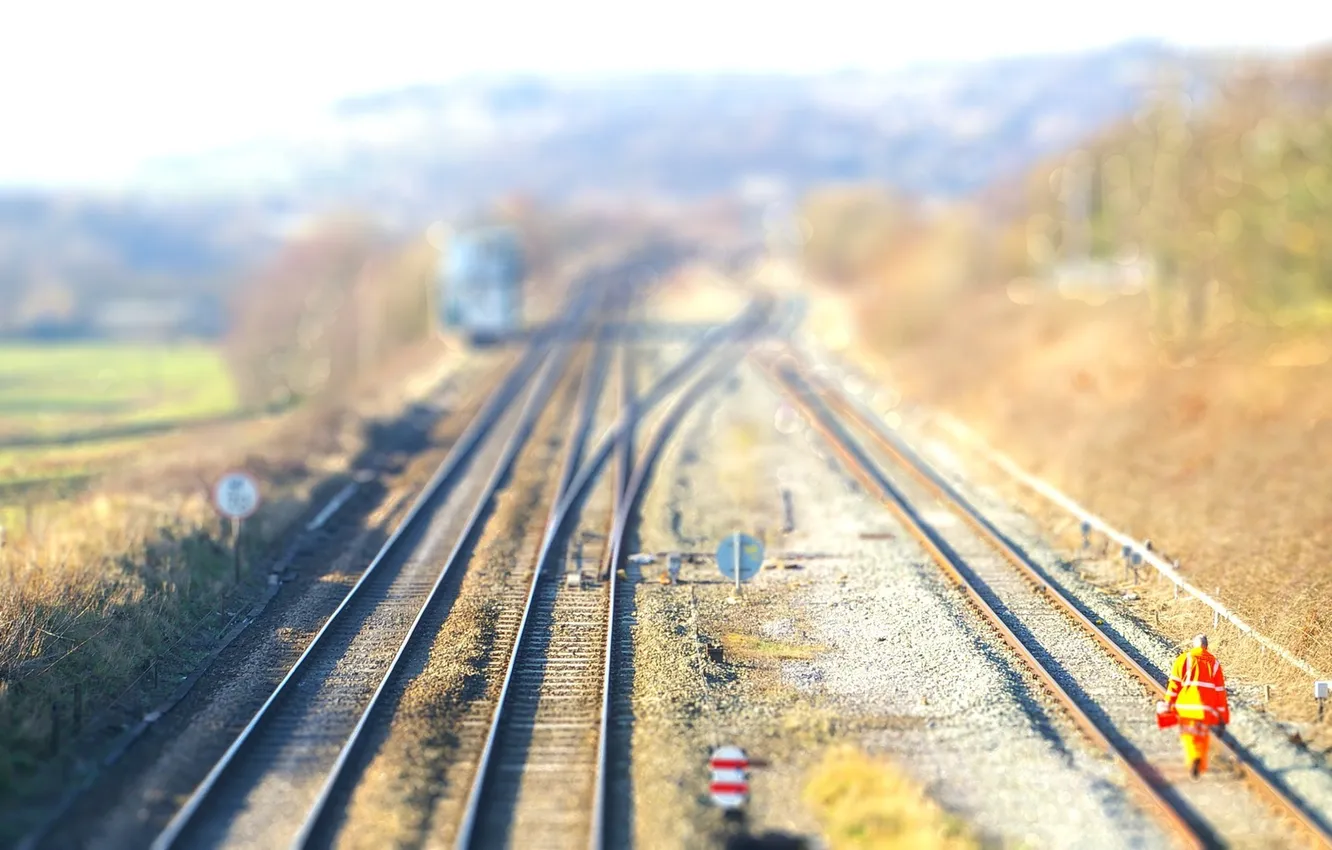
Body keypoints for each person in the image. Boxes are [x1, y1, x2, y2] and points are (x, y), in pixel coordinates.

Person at [1165, 634, 1230, 779]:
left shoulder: (1184, 659)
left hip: (1187, 707)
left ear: (1194, 645)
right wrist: (1222, 717)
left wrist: (1168, 703)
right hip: (1206, 708)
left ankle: (1194, 758)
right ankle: (1200, 763)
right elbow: (1220, 691)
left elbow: (1174, 684)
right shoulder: (1214, 663)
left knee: (1189, 735)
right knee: (1202, 735)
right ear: (1206, 647)